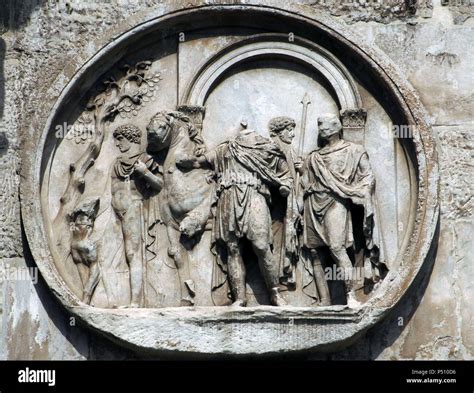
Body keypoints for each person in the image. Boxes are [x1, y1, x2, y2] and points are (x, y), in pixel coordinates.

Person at [177, 122, 292, 306]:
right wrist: (182, 158)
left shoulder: (266, 147)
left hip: (255, 195)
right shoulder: (226, 148)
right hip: (228, 198)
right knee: (233, 248)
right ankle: (239, 297)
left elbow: (285, 172)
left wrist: (285, 184)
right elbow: (200, 161)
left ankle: (275, 293)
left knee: (262, 246)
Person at [301, 114, 386, 306]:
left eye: (328, 125)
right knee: (315, 252)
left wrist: (361, 192)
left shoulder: (354, 151)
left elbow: (368, 176)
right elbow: (306, 183)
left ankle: (350, 295)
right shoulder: (314, 156)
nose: (323, 128)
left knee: (337, 248)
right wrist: (302, 170)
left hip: (336, 201)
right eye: (320, 125)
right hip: (313, 202)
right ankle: (324, 300)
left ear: (338, 127)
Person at [111, 124, 163, 307]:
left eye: (120, 139)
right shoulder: (117, 163)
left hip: (135, 210)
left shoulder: (145, 160)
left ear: (131, 139)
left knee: (133, 255)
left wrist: (145, 173)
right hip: (117, 214)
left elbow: (161, 184)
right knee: (119, 255)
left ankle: (135, 302)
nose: (117, 144)